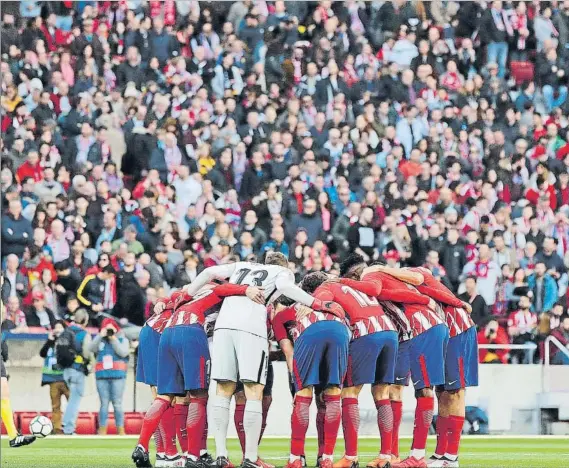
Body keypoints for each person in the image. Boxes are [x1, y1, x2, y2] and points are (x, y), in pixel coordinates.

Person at [184, 252, 340, 468]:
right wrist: (316, 303)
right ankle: (250, 458)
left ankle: (221, 455)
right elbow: (286, 288)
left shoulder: (240, 265)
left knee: (223, 389)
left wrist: (188, 291)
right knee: (253, 391)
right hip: (251, 328)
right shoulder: (282, 272)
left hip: (223, 327)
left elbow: (209, 272)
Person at [132, 283, 264, 468]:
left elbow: (177, 294)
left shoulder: (192, 291)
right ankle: (192, 455)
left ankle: (143, 446)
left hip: (165, 331)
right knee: (198, 397)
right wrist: (245, 289)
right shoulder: (222, 290)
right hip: (189, 330)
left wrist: (162, 300)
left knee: (164, 396)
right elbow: (219, 290)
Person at [271, 278, 348, 468]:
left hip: (309, 334)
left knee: (304, 397)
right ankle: (326, 458)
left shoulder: (285, 314)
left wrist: (297, 386)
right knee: (332, 397)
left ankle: (296, 458)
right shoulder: (335, 305)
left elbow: (289, 354)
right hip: (339, 331)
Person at [90, 318, 130, 435]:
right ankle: (102, 430)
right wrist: (99, 335)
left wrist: (113, 338)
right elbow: (91, 348)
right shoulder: (100, 340)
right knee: (104, 403)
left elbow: (123, 352)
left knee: (117, 403)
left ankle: (120, 429)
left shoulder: (122, 339)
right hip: (102, 376)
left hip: (118, 376)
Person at [62, 308, 92, 435]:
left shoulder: (66, 331)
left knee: (72, 399)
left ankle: (67, 425)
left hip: (66, 370)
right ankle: (68, 427)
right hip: (77, 370)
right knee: (74, 400)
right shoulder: (84, 334)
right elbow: (87, 352)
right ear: (85, 320)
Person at [39, 320, 70, 434]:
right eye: (55, 327)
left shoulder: (67, 341)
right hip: (53, 379)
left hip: (66, 379)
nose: (57, 330)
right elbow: (42, 353)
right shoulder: (50, 343)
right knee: (55, 405)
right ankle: (57, 429)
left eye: (59, 327)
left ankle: (70, 427)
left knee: (71, 404)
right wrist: (49, 340)